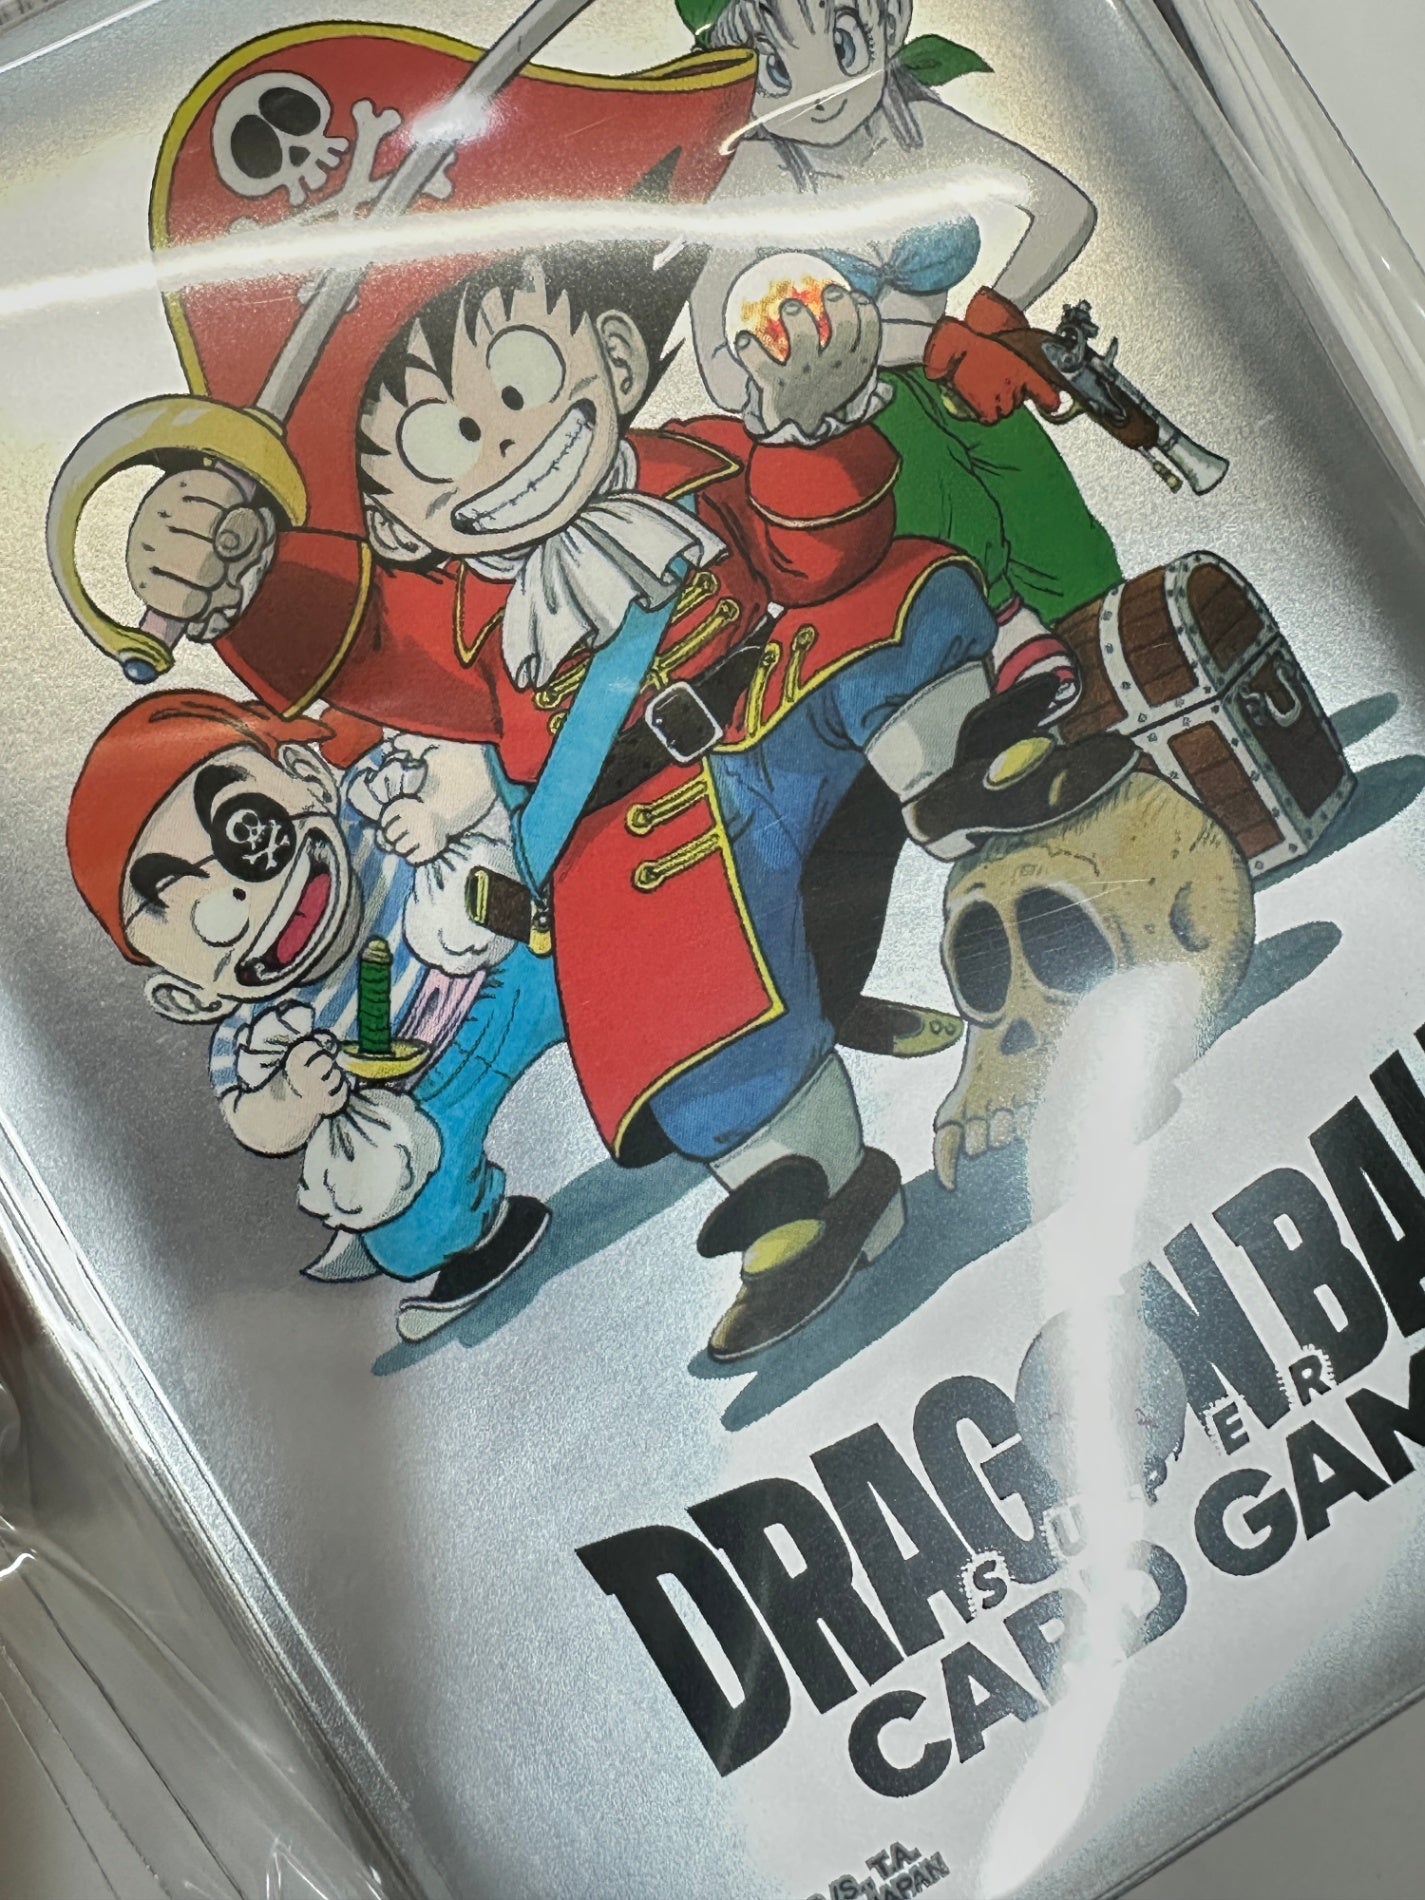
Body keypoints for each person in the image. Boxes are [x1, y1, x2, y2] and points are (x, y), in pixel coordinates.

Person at [119, 233, 1129, 1362]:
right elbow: (346, 638)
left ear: (608, 355)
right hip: (651, 837)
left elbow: (821, 561)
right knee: (660, 993)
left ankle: (965, 771)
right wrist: (240, 576)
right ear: (398, 526)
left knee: (886, 597)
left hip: (783, 711)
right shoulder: (451, 626)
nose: (504, 442)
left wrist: (804, 437)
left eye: (520, 383)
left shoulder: (697, 458)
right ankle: (805, 1193)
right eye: (446, 440)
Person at [67, 691, 563, 1344]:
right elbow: (257, 1122)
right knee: (407, 1229)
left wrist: (437, 816)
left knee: (559, 919)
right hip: (428, 1097)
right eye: (204, 916)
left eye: (249, 831)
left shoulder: (371, 808)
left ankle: (652, 1060)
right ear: (190, 997)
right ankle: (481, 1239)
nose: (248, 893)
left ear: (308, 777)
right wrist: (295, 1096)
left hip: (512, 974)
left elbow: (478, 767)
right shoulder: (257, 1035)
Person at [688, 0, 1124, 692]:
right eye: (776, 71)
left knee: (1050, 514)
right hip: (852, 409)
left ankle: (1124, 656)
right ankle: (1006, 647)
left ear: (887, 24)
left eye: (841, 46)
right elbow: (716, 357)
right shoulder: (750, 178)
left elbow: (1066, 208)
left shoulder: (918, 127)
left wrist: (993, 316)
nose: (818, 93)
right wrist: (790, 395)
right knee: (945, 523)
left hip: (961, 369)